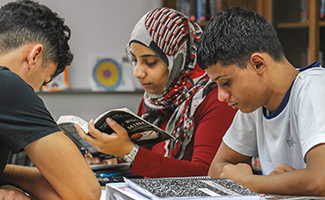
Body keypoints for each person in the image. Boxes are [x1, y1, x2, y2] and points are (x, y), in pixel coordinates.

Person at [76, 7, 237, 178]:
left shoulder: (216, 97)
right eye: (134, 60)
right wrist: (109, 156)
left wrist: (129, 152)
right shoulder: (154, 100)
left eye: (150, 62)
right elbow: (148, 163)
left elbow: (207, 173)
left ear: (179, 59)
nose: (138, 73)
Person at [197, 6, 325, 196]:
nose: (221, 96)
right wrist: (278, 183)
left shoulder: (314, 87)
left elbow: (320, 179)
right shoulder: (255, 104)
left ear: (258, 64)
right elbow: (216, 169)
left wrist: (254, 182)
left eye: (226, 82)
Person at [0, 1, 101, 199]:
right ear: (35, 56)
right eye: (43, 81)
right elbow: (87, 193)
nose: (35, 91)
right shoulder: (7, 84)